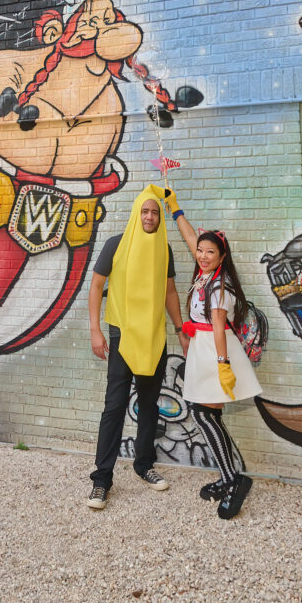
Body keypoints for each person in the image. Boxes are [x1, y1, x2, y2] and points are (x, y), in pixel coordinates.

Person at [87, 185, 186, 509]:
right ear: (136, 213)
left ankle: (144, 465)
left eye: (155, 212)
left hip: (154, 338)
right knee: (114, 407)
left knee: (149, 405)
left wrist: (180, 328)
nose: (149, 216)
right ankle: (102, 479)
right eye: (145, 211)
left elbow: (170, 293)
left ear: (160, 218)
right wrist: (96, 331)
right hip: (122, 336)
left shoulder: (164, 249)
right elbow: (97, 286)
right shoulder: (116, 245)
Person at [166, 189, 261, 519]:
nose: (202, 255)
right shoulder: (206, 273)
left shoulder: (219, 287)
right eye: (201, 252)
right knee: (209, 414)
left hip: (213, 352)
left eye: (210, 252)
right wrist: (175, 209)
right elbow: (191, 237)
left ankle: (233, 480)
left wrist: (222, 366)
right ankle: (229, 477)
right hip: (203, 350)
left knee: (202, 414)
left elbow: (219, 327)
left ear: (222, 256)